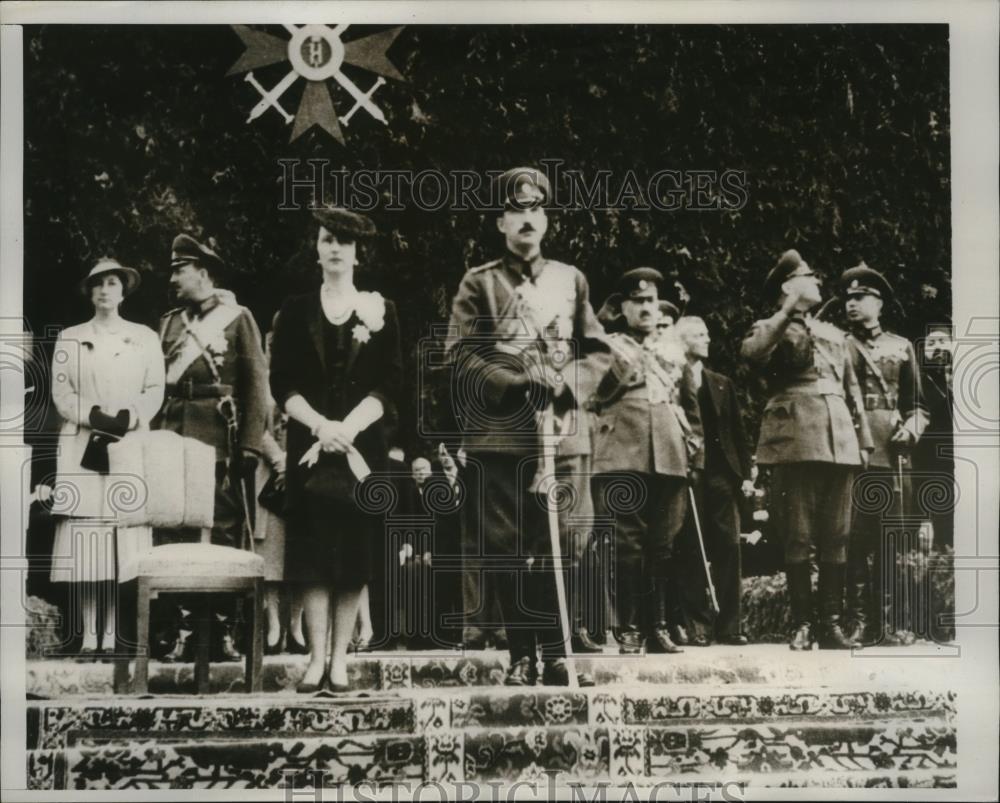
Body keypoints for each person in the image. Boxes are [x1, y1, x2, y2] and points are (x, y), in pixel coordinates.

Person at [445, 166, 608, 686]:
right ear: (500, 221)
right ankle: (521, 654)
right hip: (501, 434)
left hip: (561, 432)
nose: (527, 219)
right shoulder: (481, 283)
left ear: (546, 219)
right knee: (505, 546)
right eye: (517, 210)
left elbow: (599, 351)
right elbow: (459, 356)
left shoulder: (570, 279)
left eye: (536, 209)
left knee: (562, 539)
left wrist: (566, 384)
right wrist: (515, 383)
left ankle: (558, 652)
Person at [269, 206, 401, 693]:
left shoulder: (381, 309)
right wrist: (321, 425)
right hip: (310, 444)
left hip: (363, 450)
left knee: (353, 558)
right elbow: (281, 380)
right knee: (310, 556)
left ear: (357, 251)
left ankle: (341, 660)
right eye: (327, 239)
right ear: (317, 248)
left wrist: (347, 427)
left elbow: (392, 383)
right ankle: (314, 657)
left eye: (344, 242)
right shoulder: (297, 308)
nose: (335, 249)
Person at [741, 249, 873, 650]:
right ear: (788, 285)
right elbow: (753, 354)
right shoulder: (769, 326)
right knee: (797, 535)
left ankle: (830, 624)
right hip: (795, 439)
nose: (818, 283)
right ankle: (802, 624)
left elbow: (854, 391)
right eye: (809, 278)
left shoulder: (836, 335)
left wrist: (863, 439)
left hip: (839, 441)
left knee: (837, 535)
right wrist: (787, 311)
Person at [151, 234, 269, 662]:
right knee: (172, 532)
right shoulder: (168, 323)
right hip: (172, 437)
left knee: (220, 534)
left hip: (220, 441)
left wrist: (252, 446)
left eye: (179, 270)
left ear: (203, 272)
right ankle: (176, 629)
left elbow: (257, 385)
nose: (173, 277)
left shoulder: (238, 319)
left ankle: (218, 630)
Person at [48, 259, 165, 659]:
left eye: (112, 283)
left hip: (128, 443)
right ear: (89, 291)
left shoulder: (144, 337)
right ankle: (88, 635)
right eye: (97, 284)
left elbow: (154, 389)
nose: (104, 291)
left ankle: (115, 635)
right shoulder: (70, 338)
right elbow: (62, 394)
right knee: (87, 538)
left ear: (123, 290)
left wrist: (128, 417)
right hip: (83, 445)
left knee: (120, 536)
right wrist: (93, 416)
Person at [589, 268, 701, 655]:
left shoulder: (673, 349)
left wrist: (694, 449)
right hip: (623, 448)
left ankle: (658, 626)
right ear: (622, 308)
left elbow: (688, 402)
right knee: (626, 542)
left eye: (651, 301)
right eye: (637, 302)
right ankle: (630, 627)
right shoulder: (605, 345)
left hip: (669, 449)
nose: (646, 308)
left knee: (663, 542)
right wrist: (603, 329)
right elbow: (599, 390)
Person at [841, 264, 928, 646]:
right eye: (848, 299)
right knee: (855, 540)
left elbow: (918, 405)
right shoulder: (839, 345)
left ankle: (889, 624)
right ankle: (860, 622)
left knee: (890, 540)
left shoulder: (901, 346)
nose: (852, 304)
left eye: (859, 298)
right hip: (853, 451)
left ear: (878, 302)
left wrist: (910, 429)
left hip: (893, 455)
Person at [674, 316, 754, 646]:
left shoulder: (721, 382)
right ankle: (698, 624)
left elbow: (738, 431)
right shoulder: (670, 381)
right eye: (699, 334)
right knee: (692, 544)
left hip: (722, 474)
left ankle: (730, 626)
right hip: (688, 472)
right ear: (682, 340)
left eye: (707, 332)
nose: (707, 338)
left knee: (730, 544)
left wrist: (747, 473)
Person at [914, 323, 955, 642]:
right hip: (928, 475)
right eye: (932, 342)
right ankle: (930, 622)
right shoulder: (920, 383)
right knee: (930, 547)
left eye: (944, 341)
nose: (938, 347)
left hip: (963, 477)